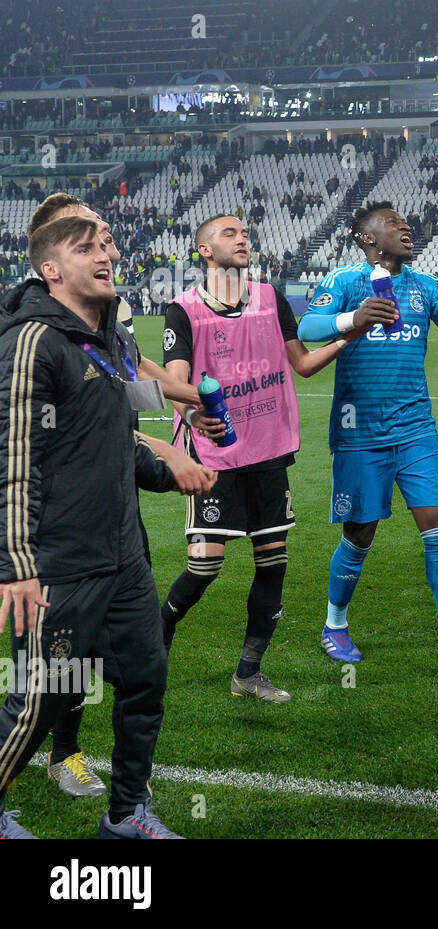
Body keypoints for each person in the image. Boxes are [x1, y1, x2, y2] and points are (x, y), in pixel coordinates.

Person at [22, 193, 213, 800]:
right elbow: (77, 422)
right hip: (64, 522)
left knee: (127, 654)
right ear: (52, 255)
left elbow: (127, 374)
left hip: (117, 516)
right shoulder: (41, 330)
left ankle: (114, 794)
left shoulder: (109, 310)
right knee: (57, 664)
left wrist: (179, 396)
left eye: (104, 235)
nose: (105, 242)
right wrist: (166, 450)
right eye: (87, 236)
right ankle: (60, 748)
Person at [0, 216, 182, 838]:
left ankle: (127, 814)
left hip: (124, 558)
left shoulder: (106, 338)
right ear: (50, 270)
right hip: (62, 565)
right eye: (87, 249)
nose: (107, 254)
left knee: (144, 683)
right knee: (37, 706)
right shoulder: (33, 343)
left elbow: (111, 443)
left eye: (106, 245)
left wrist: (170, 470)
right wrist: (20, 567)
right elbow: (15, 463)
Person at [297, 201, 438, 680]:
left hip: (416, 430)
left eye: (406, 223)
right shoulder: (344, 281)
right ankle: (334, 623)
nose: (405, 228)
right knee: (359, 535)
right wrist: (353, 319)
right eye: (392, 224)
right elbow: (307, 329)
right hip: (359, 433)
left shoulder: (428, 287)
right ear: (367, 238)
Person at [160, 215, 360, 701]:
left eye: (245, 232)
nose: (243, 238)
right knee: (205, 566)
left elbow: (304, 365)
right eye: (229, 234)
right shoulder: (183, 308)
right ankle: (151, 645)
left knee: (273, 563)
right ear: (204, 251)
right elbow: (176, 380)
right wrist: (193, 412)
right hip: (216, 455)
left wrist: (349, 334)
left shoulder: (271, 299)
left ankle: (249, 672)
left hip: (268, 451)